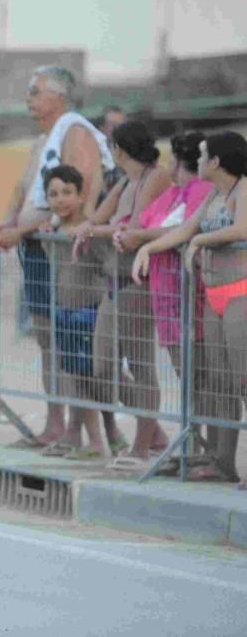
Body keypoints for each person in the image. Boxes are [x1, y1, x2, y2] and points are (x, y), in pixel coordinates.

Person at [0, 66, 117, 449]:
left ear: (59, 96)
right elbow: (24, 192)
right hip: (38, 251)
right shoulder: (44, 140)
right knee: (48, 340)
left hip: (66, 256)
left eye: (35, 91)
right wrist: (6, 226)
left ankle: (98, 434)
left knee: (74, 343)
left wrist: (18, 231)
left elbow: (78, 199)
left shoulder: (75, 133)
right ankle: (57, 425)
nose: (28, 98)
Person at [133, 131, 247, 485]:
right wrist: (147, 249)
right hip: (213, 296)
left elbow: (243, 227)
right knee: (221, 383)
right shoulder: (215, 192)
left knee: (244, 379)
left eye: (202, 155)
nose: (196, 161)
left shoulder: (244, 188)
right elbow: (184, 229)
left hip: (239, 292)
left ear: (216, 162)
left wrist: (201, 240)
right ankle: (223, 462)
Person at [73, 120, 171, 466]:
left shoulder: (154, 175)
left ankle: (143, 446)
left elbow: (135, 226)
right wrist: (94, 229)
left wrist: (98, 230)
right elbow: (95, 221)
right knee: (103, 367)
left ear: (120, 148)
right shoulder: (124, 180)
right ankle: (154, 430)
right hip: (113, 285)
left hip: (137, 283)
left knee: (141, 365)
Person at [115, 132, 212, 452]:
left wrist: (141, 238)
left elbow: (183, 230)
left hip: (189, 296)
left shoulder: (200, 190)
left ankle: (199, 448)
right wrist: (125, 232)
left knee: (199, 379)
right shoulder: (176, 193)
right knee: (187, 377)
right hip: (167, 297)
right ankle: (192, 446)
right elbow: (139, 222)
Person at [38, 165, 107, 459]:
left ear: (81, 195)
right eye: (53, 194)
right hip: (64, 312)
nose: (61, 199)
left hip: (89, 311)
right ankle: (86, 439)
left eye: (67, 192)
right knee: (75, 379)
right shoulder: (52, 231)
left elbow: (102, 267)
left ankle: (98, 440)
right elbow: (57, 263)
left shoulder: (91, 229)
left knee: (92, 377)